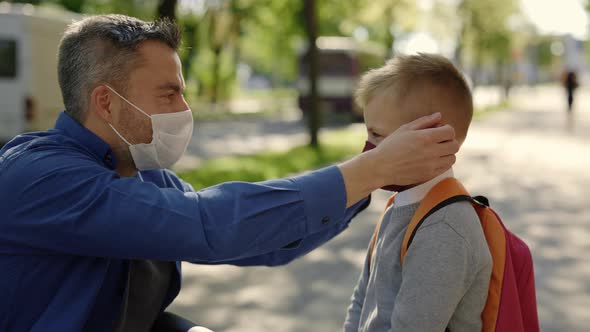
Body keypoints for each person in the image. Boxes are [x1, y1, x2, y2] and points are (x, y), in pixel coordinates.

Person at [0, 15, 459, 332]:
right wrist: (371, 167)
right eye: (168, 94)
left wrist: (371, 172)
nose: (185, 109)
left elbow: (259, 239)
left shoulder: (142, 173)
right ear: (106, 102)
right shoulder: (39, 177)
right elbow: (211, 226)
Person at [343, 54, 492, 332]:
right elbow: (362, 298)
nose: (368, 149)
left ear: (432, 138)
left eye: (378, 136)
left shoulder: (444, 229)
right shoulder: (399, 204)